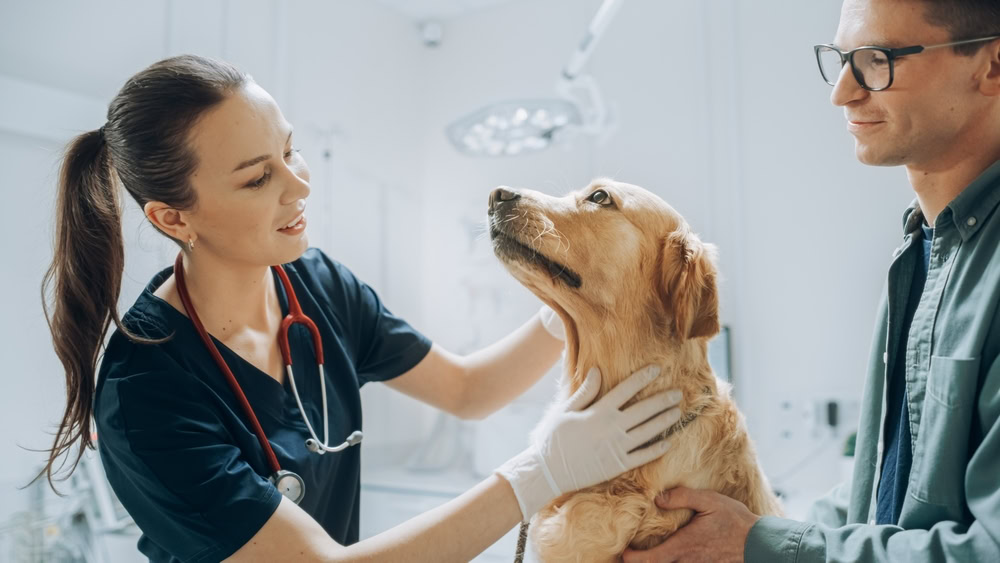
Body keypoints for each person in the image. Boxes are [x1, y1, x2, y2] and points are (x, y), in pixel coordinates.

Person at [36, 54, 686, 562]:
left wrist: (571, 304)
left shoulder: (315, 286)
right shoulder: (144, 387)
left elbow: (468, 390)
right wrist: (537, 473)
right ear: (173, 216)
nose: (300, 184)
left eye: (289, 150)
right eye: (259, 177)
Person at [623, 0, 1000, 561]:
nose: (842, 92)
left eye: (878, 60)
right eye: (841, 59)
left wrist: (767, 544)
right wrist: (740, 527)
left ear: (990, 66)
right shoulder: (923, 251)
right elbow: (881, 488)